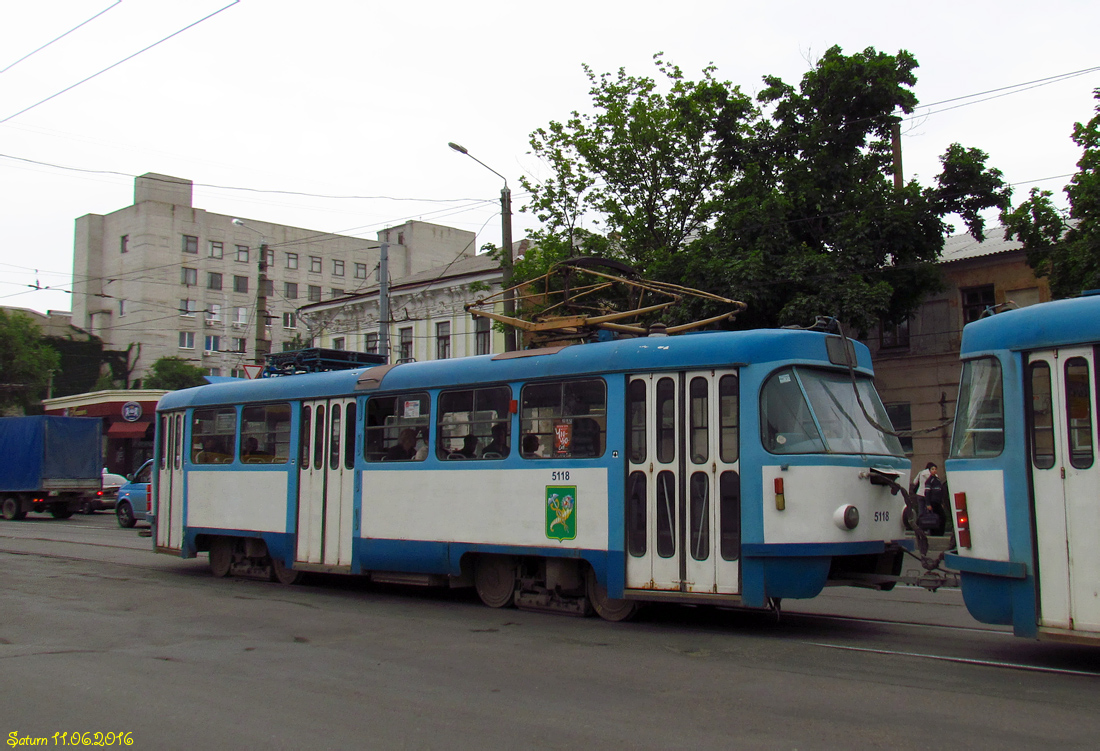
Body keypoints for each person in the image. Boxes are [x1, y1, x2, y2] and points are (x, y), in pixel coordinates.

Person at [911, 462, 945, 534]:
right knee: (930, 513)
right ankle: (929, 528)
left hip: (920, 493)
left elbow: (914, 482)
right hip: (929, 495)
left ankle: (920, 528)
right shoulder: (933, 477)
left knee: (921, 512)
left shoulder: (921, 473)